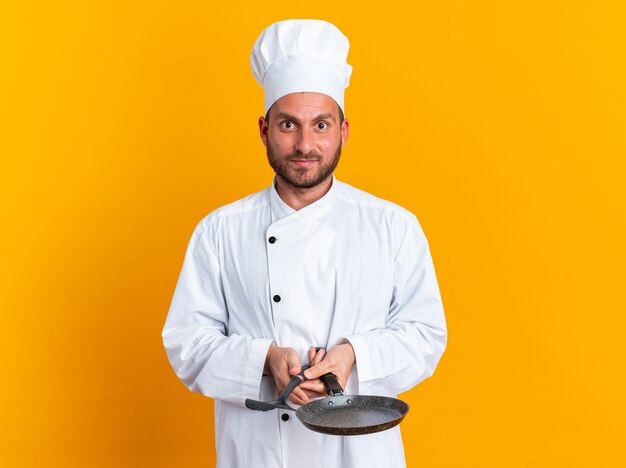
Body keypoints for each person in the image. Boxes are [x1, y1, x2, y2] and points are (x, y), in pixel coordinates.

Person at [162, 19, 447, 468]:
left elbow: (426, 334)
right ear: (263, 129)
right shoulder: (220, 230)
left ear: (344, 130)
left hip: (360, 454)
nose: (305, 144)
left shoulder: (392, 226)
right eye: (288, 124)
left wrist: (354, 355)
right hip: (256, 451)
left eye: (321, 124)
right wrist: (265, 359)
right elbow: (186, 343)